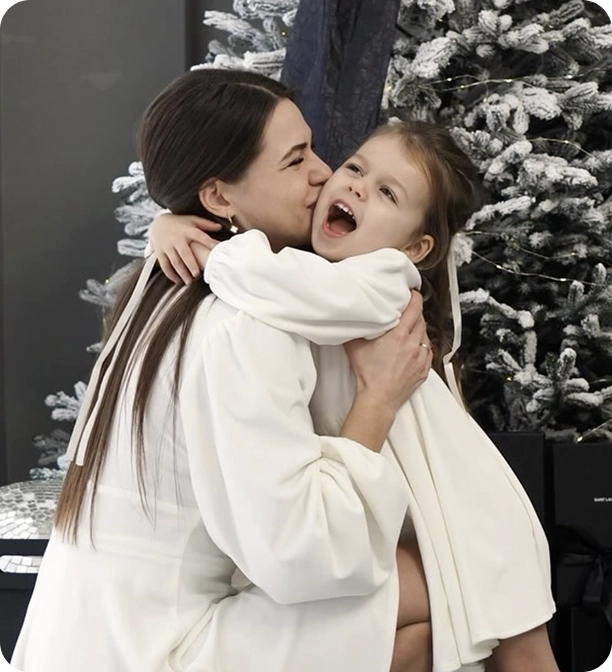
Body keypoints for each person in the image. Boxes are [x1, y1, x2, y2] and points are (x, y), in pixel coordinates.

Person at [10, 69, 434, 672]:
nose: (324, 172)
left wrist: (167, 222)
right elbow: (302, 554)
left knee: (434, 589)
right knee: (441, 592)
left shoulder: (160, 284)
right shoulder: (245, 322)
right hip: (158, 647)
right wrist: (379, 400)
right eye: (295, 160)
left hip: (80, 634)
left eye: (313, 148)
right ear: (217, 198)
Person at [150, 119, 562, 672]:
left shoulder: (382, 280)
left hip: (465, 506)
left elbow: (274, 283)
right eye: (355, 168)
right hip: (420, 506)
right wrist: (170, 221)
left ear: (415, 247)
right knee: (479, 641)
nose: (357, 188)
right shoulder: (308, 273)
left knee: (521, 647)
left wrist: (200, 247)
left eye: (388, 193)